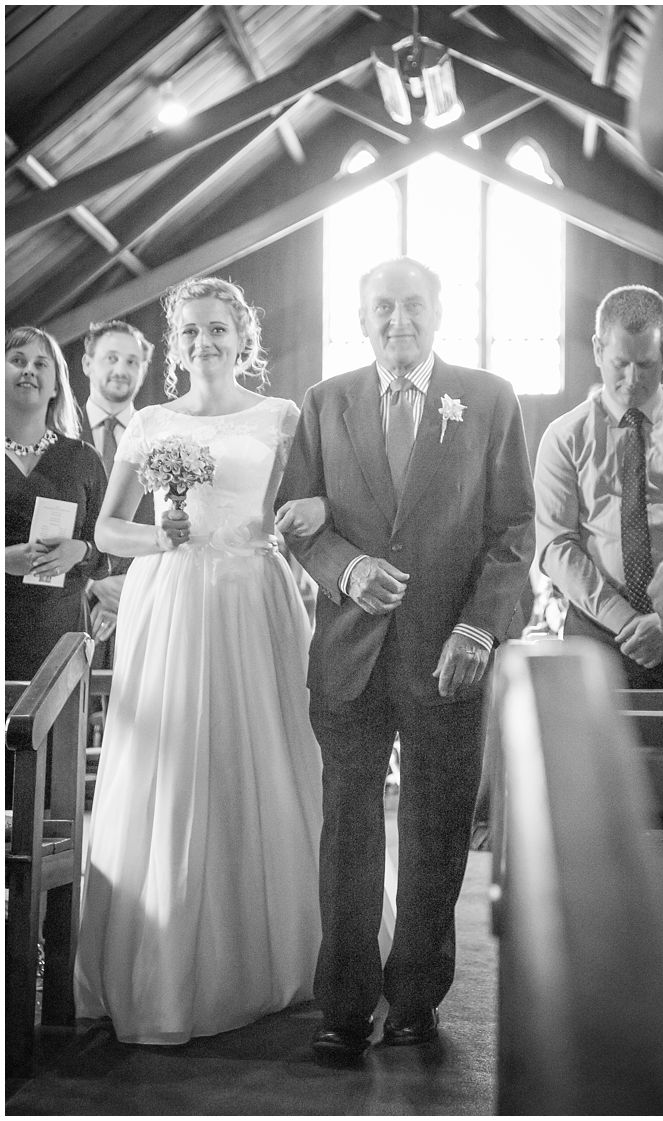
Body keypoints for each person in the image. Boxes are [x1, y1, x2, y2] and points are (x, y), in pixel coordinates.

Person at [276, 256, 534, 1056]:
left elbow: (514, 533)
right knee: (349, 833)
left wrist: (479, 628)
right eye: (383, 307)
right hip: (350, 656)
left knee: (435, 831)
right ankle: (343, 1008)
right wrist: (346, 568)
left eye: (413, 305)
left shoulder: (488, 398)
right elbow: (297, 522)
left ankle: (418, 998)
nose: (399, 320)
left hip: (446, 653)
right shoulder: (325, 403)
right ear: (361, 319)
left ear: (439, 311)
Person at [74, 277, 329, 1044]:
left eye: (217, 329)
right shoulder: (150, 422)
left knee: (265, 757)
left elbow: (311, 508)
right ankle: (169, 956)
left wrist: (305, 516)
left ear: (244, 335)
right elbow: (106, 531)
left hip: (254, 594)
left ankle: (278, 952)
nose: (203, 343)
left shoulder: (283, 417)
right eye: (189, 332)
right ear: (174, 343)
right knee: (178, 763)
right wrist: (163, 538)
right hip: (173, 599)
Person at [533, 285, 663, 689]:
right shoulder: (565, 437)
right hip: (596, 631)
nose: (632, 379)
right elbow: (557, 545)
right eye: (620, 363)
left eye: (646, 364)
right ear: (597, 350)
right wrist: (629, 622)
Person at [5, 326, 107, 683]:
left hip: (60, 641)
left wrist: (81, 550)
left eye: (40, 364)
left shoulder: (83, 459)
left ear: (55, 387)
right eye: (17, 360)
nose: (28, 369)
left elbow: (113, 554)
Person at [78, 319, 155, 646]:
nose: (121, 369)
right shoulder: (60, 432)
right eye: (111, 358)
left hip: (149, 604)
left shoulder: (160, 437)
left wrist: (134, 588)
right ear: (87, 363)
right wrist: (94, 585)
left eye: (132, 361)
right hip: (70, 603)